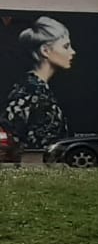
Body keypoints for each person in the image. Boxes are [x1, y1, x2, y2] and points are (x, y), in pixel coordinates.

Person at [3, 16, 75, 149]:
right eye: (66, 46)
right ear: (45, 51)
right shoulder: (29, 91)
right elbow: (12, 132)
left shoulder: (39, 88)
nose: (72, 52)